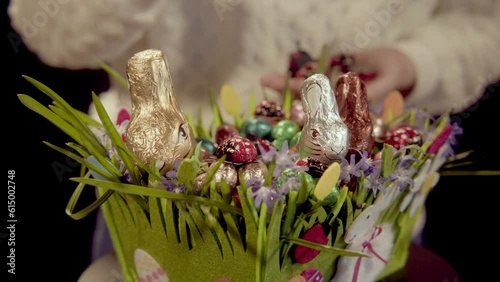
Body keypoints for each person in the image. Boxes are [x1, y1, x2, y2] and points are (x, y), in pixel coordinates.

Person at [7, 0, 500, 273]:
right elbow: (46, 26)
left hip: (356, 195)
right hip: (169, 205)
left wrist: (418, 62)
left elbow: (483, 24)